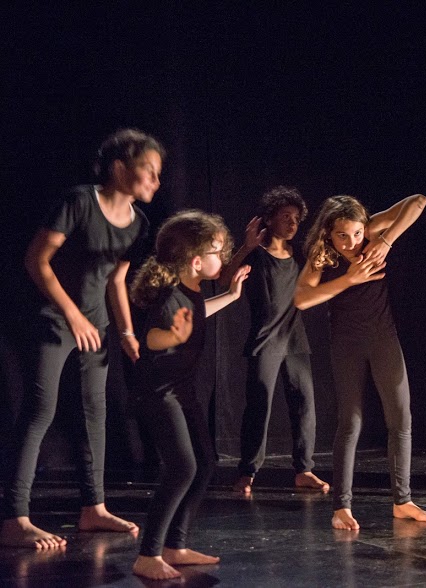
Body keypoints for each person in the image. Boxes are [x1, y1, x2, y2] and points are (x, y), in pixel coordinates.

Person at [1, 129, 164, 550]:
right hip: (53, 318)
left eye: (158, 174)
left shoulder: (140, 223)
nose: (155, 181)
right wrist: (72, 315)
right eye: (148, 171)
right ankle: (15, 517)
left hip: (96, 325)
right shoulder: (79, 202)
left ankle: (94, 508)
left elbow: (117, 279)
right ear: (118, 168)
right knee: (41, 409)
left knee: (96, 411)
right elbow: (36, 260)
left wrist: (126, 331)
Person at [294, 193, 426, 531]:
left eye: (356, 233)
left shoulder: (372, 233)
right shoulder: (322, 254)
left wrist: (385, 239)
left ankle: (402, 501)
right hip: (347, 344)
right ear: (329, 233)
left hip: (384, 339)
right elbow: (300, 299)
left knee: (401, 417)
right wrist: (349, 279)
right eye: (343, 235)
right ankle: (341, 506)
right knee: (351, 422)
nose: (352, 242)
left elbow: (418, 201)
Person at [129, 210, 250, 580]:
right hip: (159, 392)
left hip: (182, 391)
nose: (224, 257)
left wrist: (230, 296)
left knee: (205, 464)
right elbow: (150, 338)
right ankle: (147, 554)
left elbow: (198, 313)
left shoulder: (193, 292)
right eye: (217, 251)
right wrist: (174, 337)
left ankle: (175, 546)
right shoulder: (169, 297)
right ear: (196, 260)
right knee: (182, 466)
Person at [220, 187, 329, 495]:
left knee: (305, 404)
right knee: (259, 406)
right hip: (266, 339)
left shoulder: (301, 256)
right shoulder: (255, 254)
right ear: (268, 219)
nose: (293, 223)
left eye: (296, 218)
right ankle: (248, 472)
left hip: (295, 339)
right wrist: (245, 246)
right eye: (285, 217)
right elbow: (224, 280)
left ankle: (303, 469)